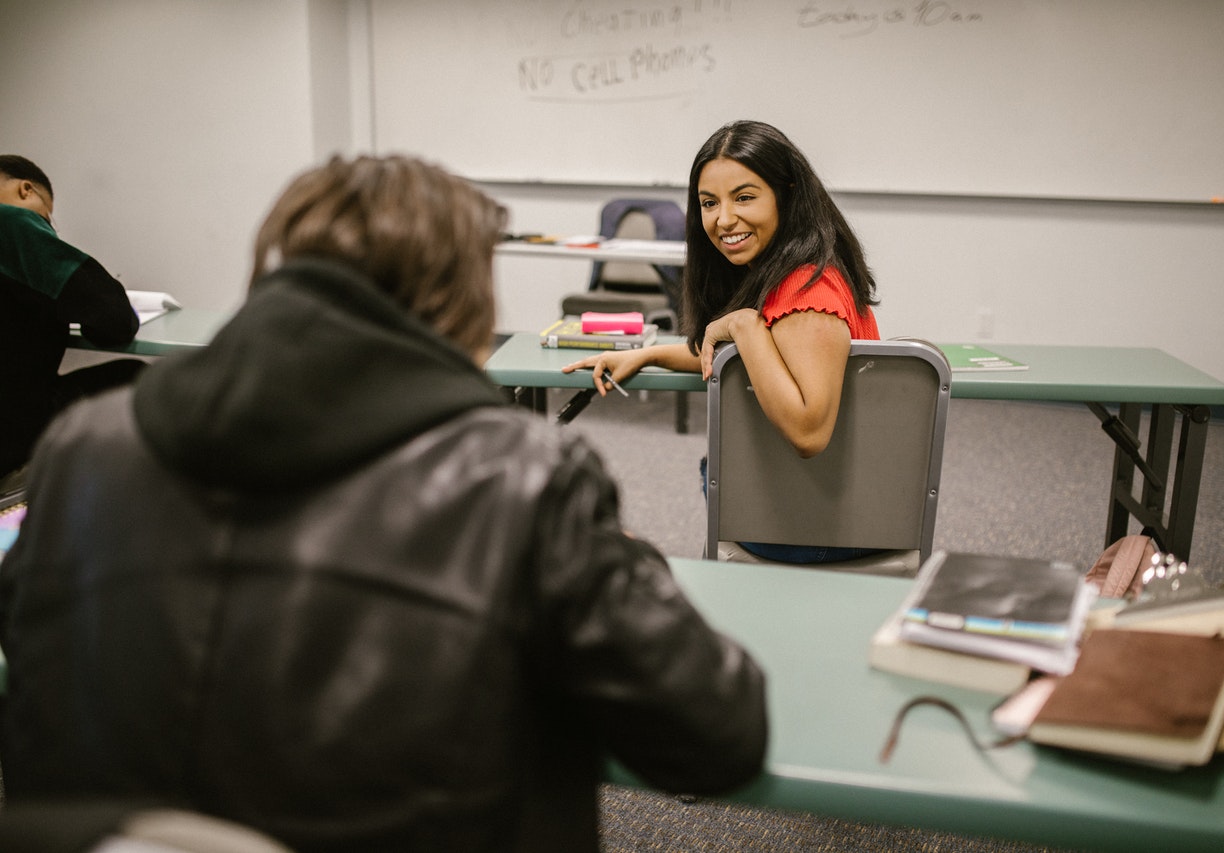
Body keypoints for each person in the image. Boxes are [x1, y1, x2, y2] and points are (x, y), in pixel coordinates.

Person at [0, 155, 768, 852]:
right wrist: (621, 557)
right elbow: (716, 734)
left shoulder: (83, 445)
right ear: (462, 299)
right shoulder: (524, 476)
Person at [563, 120, 881, 563]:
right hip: (817, 509)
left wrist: (745, 325)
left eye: (745, 197)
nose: (724, 219)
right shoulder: (789, 274)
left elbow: (809, 432)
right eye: (709, 203)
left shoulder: (808, 293)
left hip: (812, 524)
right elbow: (760, 362)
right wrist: (650, 353)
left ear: (787, 195)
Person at [0, 155, 144, 480]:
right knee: (135, 377)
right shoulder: (11, 225)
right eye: (46, 218)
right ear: (26, 191)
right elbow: (116, 320)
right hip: (11, 432)